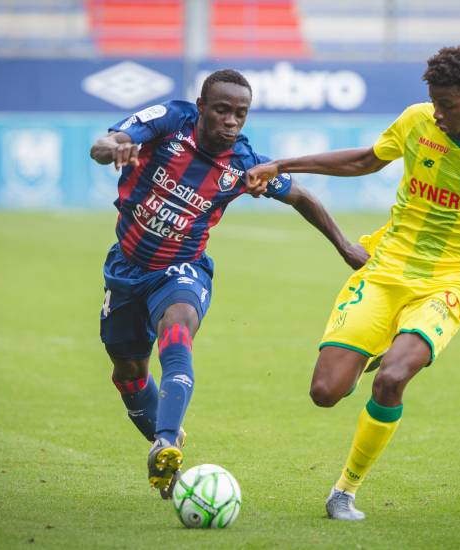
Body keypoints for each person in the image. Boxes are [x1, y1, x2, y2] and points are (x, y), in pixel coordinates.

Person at [246, 45, 460, 520]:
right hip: (384, 270)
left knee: (394, 378)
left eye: (448, 105)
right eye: (433, 102)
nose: (437, 115)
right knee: (325, 393)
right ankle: (373, 350)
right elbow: (365, 161)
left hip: (447, 286)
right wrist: (283, 164)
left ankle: (345, 491)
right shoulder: (418, 121)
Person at [89, 69, 368, 498]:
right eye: (222, 110)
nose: (231, 121)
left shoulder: (244, 163)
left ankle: (164, 442)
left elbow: (301, 197)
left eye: (240, 113)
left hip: (181, 268)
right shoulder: (171, 120)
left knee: (177, 330)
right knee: (127, 373)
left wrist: (345, 245)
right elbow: (103, 144)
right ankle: (169, 438)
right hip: (125, 268)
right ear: (202, 107)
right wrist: (115, 146)